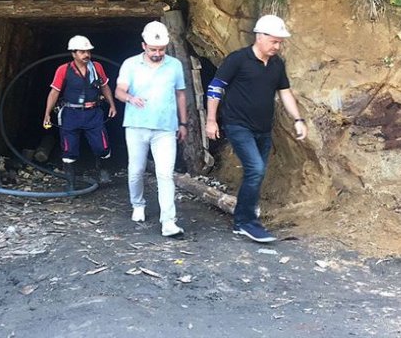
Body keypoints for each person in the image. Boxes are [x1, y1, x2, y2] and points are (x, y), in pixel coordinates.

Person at [204, 14, 307, 243]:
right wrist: (211, 120)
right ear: (259, 37)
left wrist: (298, 119)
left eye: (280, 42)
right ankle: (248, 222)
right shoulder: (238, 60)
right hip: (237, 125)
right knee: (256, 169)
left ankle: (242, 220)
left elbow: (285, 92)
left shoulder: (277, 64)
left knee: (256, 173)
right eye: (274, 41)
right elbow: (215, 88)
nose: (277, 46)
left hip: (263, 128)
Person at [115, 21, 188, 237]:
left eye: (161, 49)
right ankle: (138, 204)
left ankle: (169, 221)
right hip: (136, 125)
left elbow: (181, 94)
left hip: (165, 127)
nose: (158, 53)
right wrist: (130, 97)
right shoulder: (130, 64)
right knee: (136, 170)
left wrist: (183, 123)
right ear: (143, 45)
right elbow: (119, 90)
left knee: (165, 173)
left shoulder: (174, 65)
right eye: (153, 49)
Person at [43, 35, 117, 189]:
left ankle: (103, 169)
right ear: (73, 53)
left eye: (88, 51)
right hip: (71, 113)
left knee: (102, 147)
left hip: (93, 112)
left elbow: (104, 86)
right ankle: (70, 183)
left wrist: (112, 105)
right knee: (69, 149)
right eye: (82, 52)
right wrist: (47, 114)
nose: (86, 55)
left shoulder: (96, 68)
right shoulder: (64, 70)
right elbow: (54, 92)